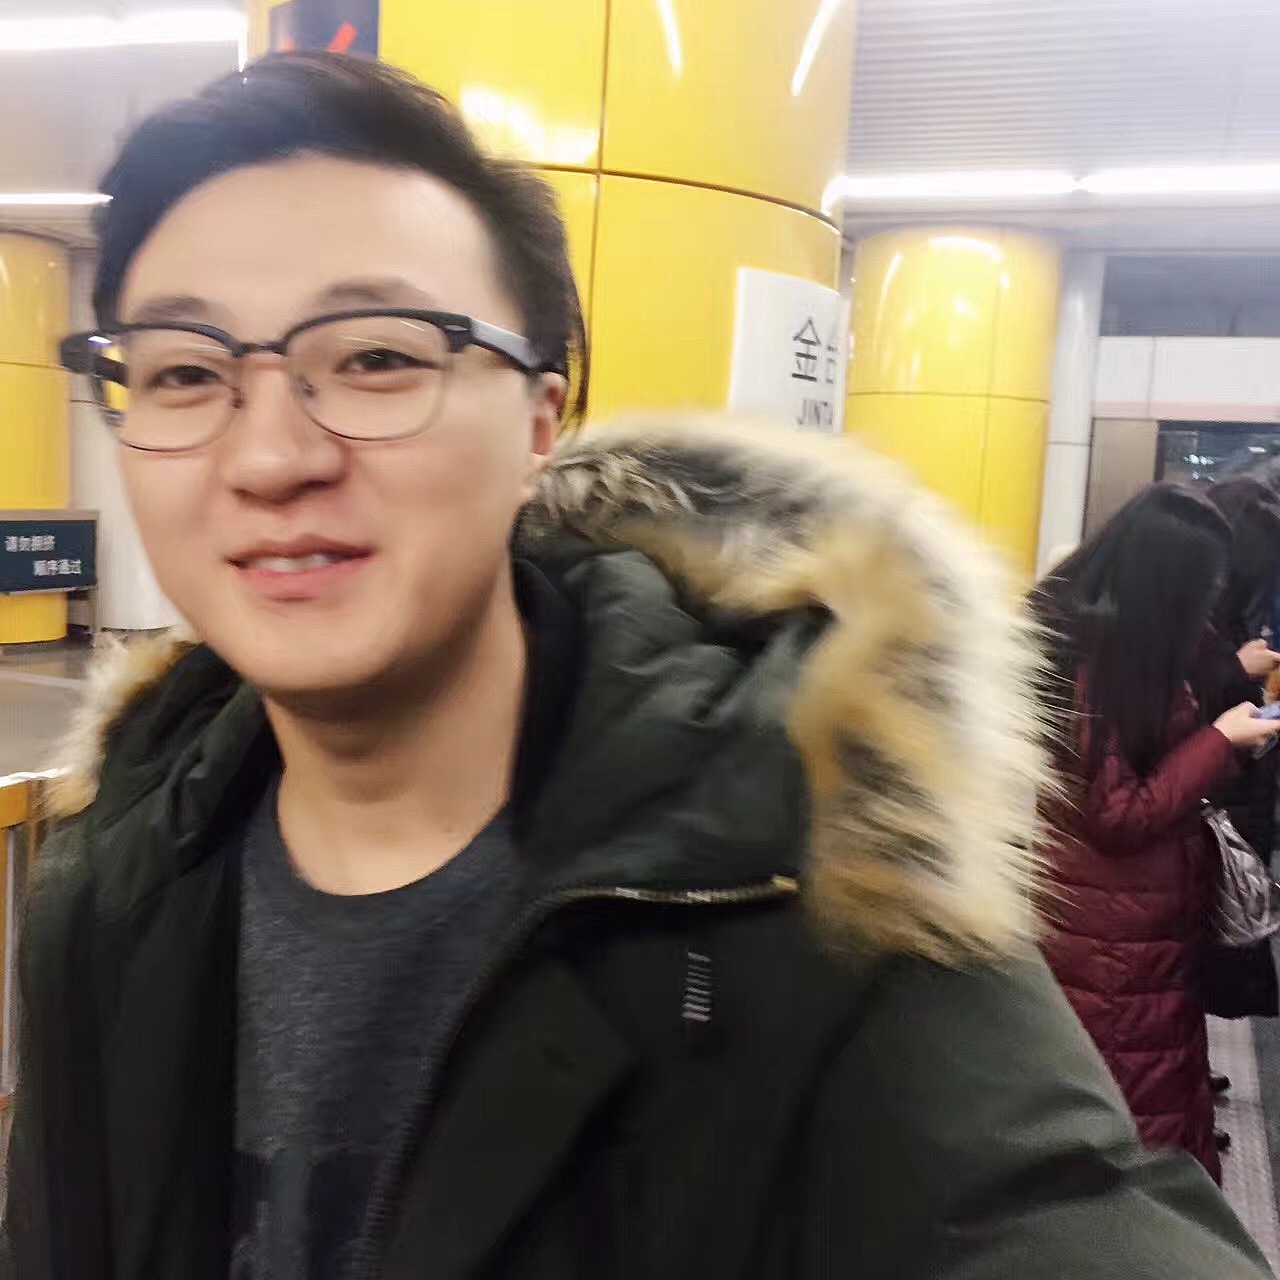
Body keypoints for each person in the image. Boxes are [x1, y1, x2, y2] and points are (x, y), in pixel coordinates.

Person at [3, 52, 1275, 1280]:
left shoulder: (797, 869)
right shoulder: (117, 866)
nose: (269, 455)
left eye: (377, 356)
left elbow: (1042, 1214)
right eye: (183, 372)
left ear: (539, 421)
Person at [1033, 485, 1280, 1184]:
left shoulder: (1118, 644)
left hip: (1131, 921)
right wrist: (1218, 739)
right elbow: (1117, 815)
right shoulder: (1095, 666)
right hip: (1109, 928)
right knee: (1131, 1111)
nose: (1210, 603)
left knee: (1148, 1090)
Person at [1194, 479, 1280, 1022]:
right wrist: (1235, 669)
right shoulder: (1185, 615)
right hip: (1213, 793)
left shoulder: (1220, 600)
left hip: (1235, 785)